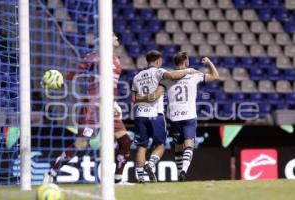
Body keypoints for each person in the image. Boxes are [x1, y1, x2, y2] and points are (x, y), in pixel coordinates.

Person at [43, 33, 131, 184]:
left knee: (125, 141)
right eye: (113, 35)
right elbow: (77, 71)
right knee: (82, 143)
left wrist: (114, 103)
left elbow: (112, 87)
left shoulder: (116, 60)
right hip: (93, 106)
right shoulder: (94, 56)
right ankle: (51, 173)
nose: (117, 37)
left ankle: (117, 180)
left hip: (109, 107)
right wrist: (61, 78)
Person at [138, 52, 219, 181]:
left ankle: (166, 169)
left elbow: (156, 94)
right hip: (189, 116)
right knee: (189, 145)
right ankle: (183, 171)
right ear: (186, 61)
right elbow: (215, 76)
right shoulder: (194, 75)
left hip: (174, 117)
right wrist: (209, 62)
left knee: (178, 148)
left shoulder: (167, 78)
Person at [131, 50, 197, 183]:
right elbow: (171, 76)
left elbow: (133, 99)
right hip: (155, 114)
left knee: (141, 146)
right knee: (160, 145)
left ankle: (141, 178)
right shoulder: (159, 72)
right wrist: (189, 71)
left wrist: (142, 98)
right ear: (158, 61)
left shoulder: (136, 77)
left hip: (139, 115)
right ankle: (150, 164)